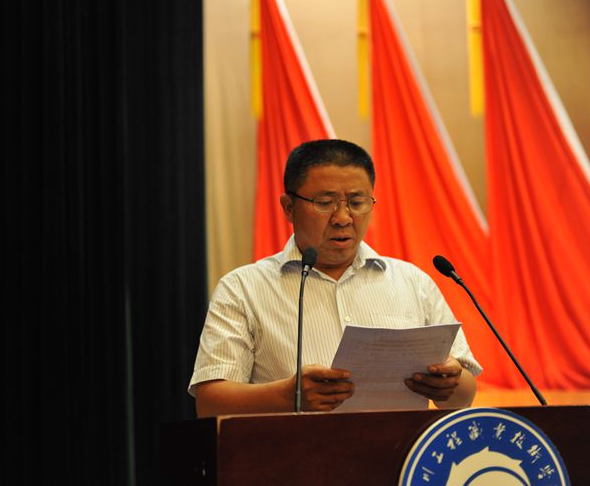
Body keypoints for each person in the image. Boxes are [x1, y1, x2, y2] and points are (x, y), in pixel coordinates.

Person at [189, 139, 481, 417]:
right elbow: (209, 403)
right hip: (293, 451)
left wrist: (449, 384)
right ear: (289, 207)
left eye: (357, 202)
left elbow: (465, 394)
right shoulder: (242, 288)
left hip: (402, 451)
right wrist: (287, 396)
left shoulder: (413, 283)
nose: (343, 218)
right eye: (325, 202)